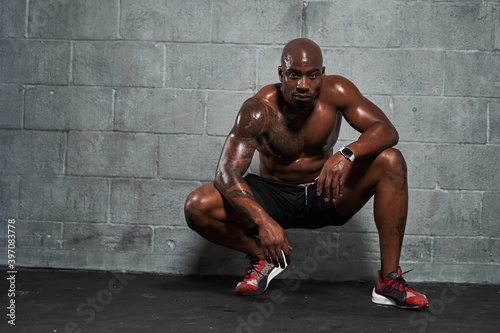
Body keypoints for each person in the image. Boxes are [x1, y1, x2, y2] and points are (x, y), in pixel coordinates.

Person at [184, 38, 428, 309]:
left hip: (325, 191)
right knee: (197, 206)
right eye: (294, 75)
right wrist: (263, 222)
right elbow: (226, 172)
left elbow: (387, 130)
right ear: (281, 74)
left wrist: (347, 154)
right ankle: (262, 257)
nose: (303, 85)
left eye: (312, 76)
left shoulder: (337, 91)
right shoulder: (259, 109)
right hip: (273, 195)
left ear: (322, 75)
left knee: (391, 160)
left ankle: (388, 280)